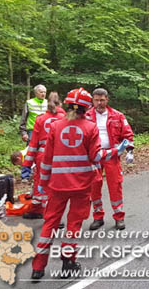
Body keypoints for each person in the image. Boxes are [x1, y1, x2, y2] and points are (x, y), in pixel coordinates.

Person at [31, 88, 128, 280]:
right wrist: (116, 150)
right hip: (81, 186)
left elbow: (47, 159)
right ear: (87, 107)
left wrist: (43, 183)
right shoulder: (90, 128)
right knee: (73, 225)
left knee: (50, 223)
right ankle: (68, 263)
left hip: (56, 186)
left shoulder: (56, 127)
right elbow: (96, 156)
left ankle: (38, 268)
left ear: (67, 105)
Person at [85, 88, 135, 231]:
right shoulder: (86, 116)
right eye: (96, 100)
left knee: (115, 185)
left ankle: (119, 216)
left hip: (112, 155)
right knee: (94, 186)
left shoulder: (117, 115)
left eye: (102, 100)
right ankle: (98, 217)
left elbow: (127, 134)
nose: (99, 103)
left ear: (107, 99)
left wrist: (130, 151)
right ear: (92, 100)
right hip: (94, 156)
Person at [20, 92, 66, 219]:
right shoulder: (66, 118)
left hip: (43, 156)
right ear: (60, 103)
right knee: (57, 185)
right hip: (61, 155)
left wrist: (27, 164)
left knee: (41, 183)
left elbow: (33, 144)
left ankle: (47, 213)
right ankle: (47, 212)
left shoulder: (40, 119)